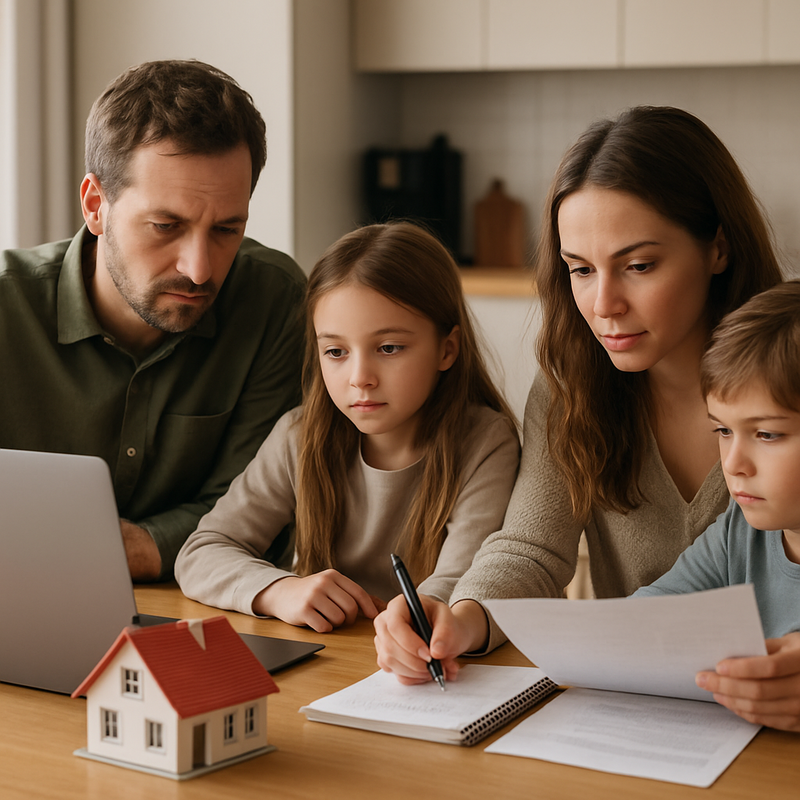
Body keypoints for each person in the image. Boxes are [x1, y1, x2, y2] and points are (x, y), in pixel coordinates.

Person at [373, 105, 783, 682]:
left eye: (638, 265)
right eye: (580, 269)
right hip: (651, 708)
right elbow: (532, 550)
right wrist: (461, 618)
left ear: (718, 247)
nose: (603, 304)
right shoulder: (573, 385)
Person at [0, 60, 306, 581]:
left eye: (227, 229)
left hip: (206, 616)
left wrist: (140, 547)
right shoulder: (8, 308)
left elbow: (267, 517)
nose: (200, 269)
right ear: (96, 205)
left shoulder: (276, 302)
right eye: (166, 226)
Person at [174, 221, 520, 633]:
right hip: (335, 662)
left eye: (389, 348)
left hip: (436, 658)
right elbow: (201, 552)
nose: (360, 378)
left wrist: (414, 622)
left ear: (447, 349)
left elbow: (464, 584)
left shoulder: (486, 443)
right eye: (336, 351)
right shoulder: (298, 436)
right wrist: (279, 589)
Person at [633, 281, 800, 731]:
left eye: (766, 434)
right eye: (723, 431)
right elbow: (642, 617)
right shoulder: (737, 533)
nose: (733, 463)